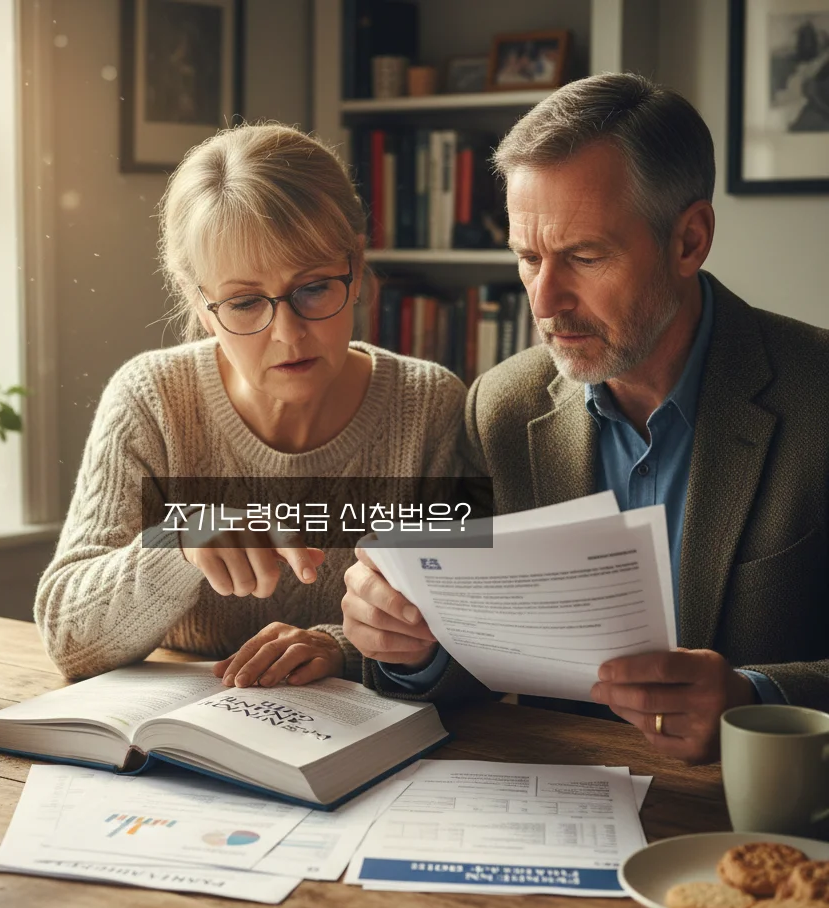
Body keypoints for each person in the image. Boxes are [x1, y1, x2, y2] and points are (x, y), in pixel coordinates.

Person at [341, 73, 829, 764]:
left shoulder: (818, 398)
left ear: (689, 241)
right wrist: (409, 646)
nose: (544, 300)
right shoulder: (501, 407)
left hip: (761, 822)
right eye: (527, 257)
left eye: (584, 257)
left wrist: (755, 699)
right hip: (559, 805)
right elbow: (471, 660)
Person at [35, 123, 466, 687]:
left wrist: (342, 649)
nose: (288, 335)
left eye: (313, 288)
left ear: (357, 269)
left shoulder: (429, 407)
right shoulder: (152, 400)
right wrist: (179, 541)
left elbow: (466, 640)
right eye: (242, 302)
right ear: (198, 299)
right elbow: (68, 641)